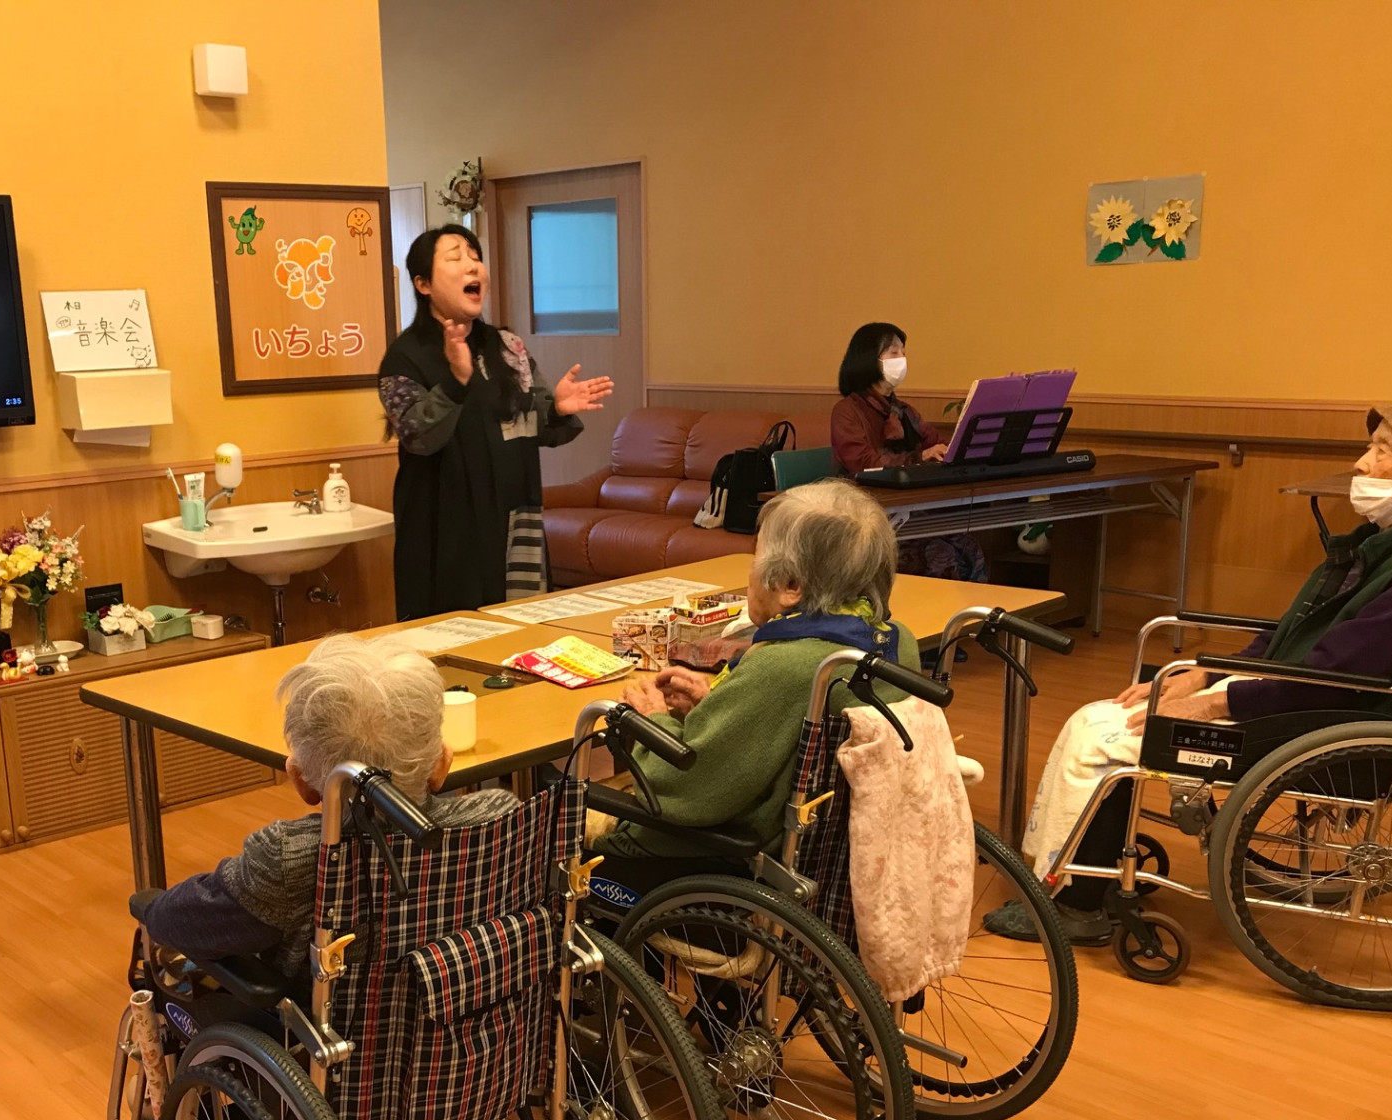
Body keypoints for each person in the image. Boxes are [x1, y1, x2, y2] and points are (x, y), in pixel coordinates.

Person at [987, 396, 1392, 945]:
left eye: (1383, 451)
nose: (1361, 463)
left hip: (1312, 716)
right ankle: (1086, 873)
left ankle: (1074, 902)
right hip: (1294, 693)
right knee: (1102, 714)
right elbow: (1293, 632)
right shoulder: (1388, 544)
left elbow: (1336, 675)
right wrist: (1204, 674)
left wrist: (1211, 703)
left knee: (1101, 742)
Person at [130, 634, 519, 975]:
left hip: (328, 1029)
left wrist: (148, 907)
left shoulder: (290, 858)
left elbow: (180, 924)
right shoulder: (500, 819)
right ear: (442, 763)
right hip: (476, 1022)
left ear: (301, 780)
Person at [593, 480, 918, 886]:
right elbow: (788, 731)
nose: (751, 570)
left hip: (736, 847)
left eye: (757, 557)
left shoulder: (784, 666)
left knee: (565, 820)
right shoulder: (897, 643)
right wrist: (715, 703)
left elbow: (689, 790)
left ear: (791, 586)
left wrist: (653, 720)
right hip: (844, 849)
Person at [379, 224, 615, 620]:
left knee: (521, 627)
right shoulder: (404, 356)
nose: (472, 266)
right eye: (455, 258)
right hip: (443, 525)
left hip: (514, 516)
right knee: (451, 633)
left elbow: (533, 426)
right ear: (423, 284)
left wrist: (556, 408)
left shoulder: (507, 346)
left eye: (475, 257)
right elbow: (418, 436)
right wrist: (455, 382)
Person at [829, 321, 988, 582]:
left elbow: (937, 445)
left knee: (969, 547)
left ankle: (977, 610)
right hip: (867, 514)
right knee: (941, 554)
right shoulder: (847, 411)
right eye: (893, 352)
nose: (901, 359)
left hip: (910, 508)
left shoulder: (904, 411)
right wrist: (918, 458)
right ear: (868, 358)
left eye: (903, 352)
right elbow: (863, 463)